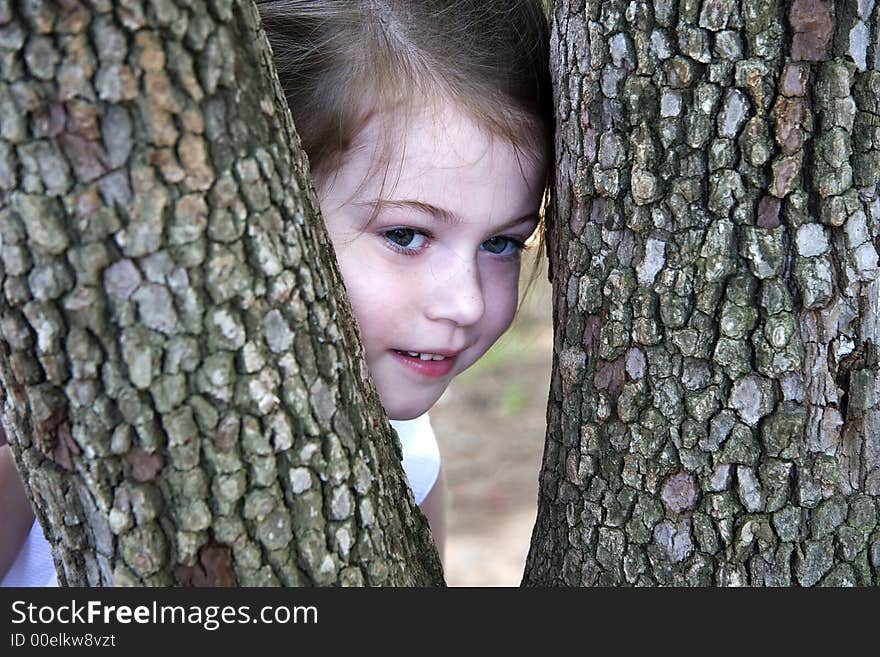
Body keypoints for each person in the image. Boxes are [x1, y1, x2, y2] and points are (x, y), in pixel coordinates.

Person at [1, 0, 552, 585]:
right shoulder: (39, 436)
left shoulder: (405, 460)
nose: (465, 304)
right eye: (406, 234)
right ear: (269, 206)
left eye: (501, 244)